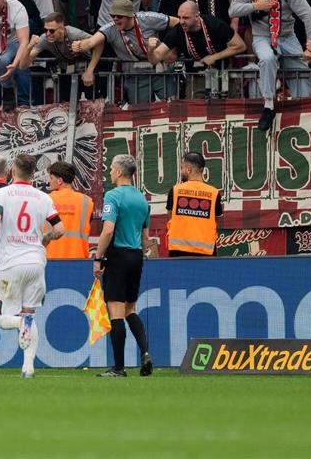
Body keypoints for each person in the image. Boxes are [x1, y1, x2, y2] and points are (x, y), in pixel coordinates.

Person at [0, 154, 64, 379]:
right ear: (33, 173)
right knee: (30, 314)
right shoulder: (43, 197)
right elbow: (61, 229)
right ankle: (28, 367)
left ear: (12, 170)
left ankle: (20, 323)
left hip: (11, 262)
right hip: (36, 262)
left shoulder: (1, 194)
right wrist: (46, 239)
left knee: (1, 318)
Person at [228, 0, 311, 132]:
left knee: (301, 71)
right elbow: (233, 10)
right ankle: (268, 106)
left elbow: (309, 15)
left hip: (287, 35)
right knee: (267, 58)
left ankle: (306, 109)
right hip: (262, 36)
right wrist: (255, 6)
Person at [92, 154, 153, 378]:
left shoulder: (113, 195)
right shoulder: (142, 200)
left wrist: (98, 257)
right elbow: (146, 238)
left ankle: (118, 368)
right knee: (131, 310)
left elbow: (108, 230)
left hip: (118, 255)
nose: (109, 172)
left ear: (119, 172)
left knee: (116, 313)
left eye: (110, 169)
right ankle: (145, 352)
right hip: (136, 255)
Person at [72, 0, 179, 104]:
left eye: (119, 16)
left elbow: (178, 23)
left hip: (161, 73)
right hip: (135, 78)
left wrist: (172, 49)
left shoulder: (148, 18)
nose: (115, 19)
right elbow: (92, 42)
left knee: (173, 108)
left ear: (130, 15)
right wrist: (80, 46)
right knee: (140, 113)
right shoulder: (110, 28)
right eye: (112, 16)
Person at [150, 1, 246, 97]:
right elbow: (155, 58)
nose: (181, 22)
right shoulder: (178, 30)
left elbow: (241, 46)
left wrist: (214, 57)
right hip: (196, 75)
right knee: (193, 105)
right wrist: (150, 50)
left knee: (232, 103)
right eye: (179, 17)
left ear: (197, 16)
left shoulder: (215, 24)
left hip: (222, 71)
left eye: (186, 18)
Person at [166, 152, 223, 257]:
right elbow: (217, 220)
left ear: (188, 169)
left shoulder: (175, 190)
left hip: (178, 250)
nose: (181, 171)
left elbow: (170, 216)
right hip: (205, 251)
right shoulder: (214, 193)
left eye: (182, 168)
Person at [46, 161, 93, 259]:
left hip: (50, 259)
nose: (48, 181)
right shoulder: (87, 202)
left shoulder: (45, 200)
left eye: (51, 178)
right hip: (79, 260)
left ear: (59, 181)